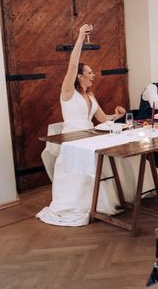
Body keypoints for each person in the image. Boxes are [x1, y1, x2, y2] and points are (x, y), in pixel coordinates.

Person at [37, 25, 145, 226]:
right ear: (79, 76)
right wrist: (79, 38)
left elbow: (104, 119)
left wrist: (118, 115)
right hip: (72, 141)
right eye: (89, 72)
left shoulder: (91, 96)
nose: (93, 75)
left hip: (89, 138)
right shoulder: (68, 92)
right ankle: (77, 205)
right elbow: (72, 65)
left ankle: (102, 202)